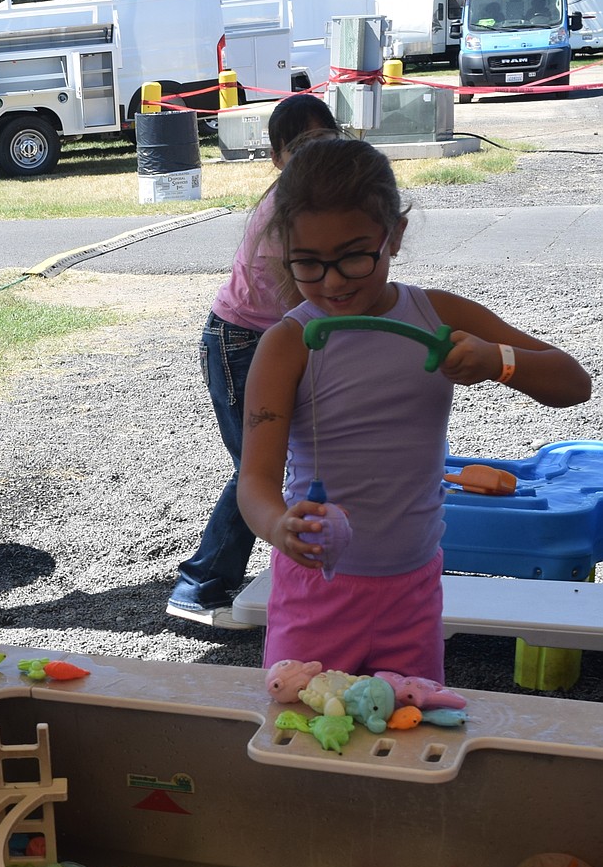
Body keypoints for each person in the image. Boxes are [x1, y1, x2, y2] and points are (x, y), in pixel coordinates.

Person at [237, 136, 591, 680]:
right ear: (285, 250)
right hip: (317, 593)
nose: (332, 281)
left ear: (394, 235)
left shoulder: (437, 315)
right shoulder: (287, 344)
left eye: (355, 256)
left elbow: (574, 384)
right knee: (309, 735)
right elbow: (254, 483)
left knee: (411, 733)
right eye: (308, 263)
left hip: (413, 589)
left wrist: (500, 361)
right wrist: (279, 524)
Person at [167, 94, 341, 629]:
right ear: (277, 157)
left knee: (275, 464)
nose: (315, 153)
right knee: (257, 470)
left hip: (265, 338)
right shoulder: (284, 211)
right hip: (239, 342)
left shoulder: (318, 198)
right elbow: (306, 306)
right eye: (301, 146)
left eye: (325, 139)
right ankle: (201, 586)